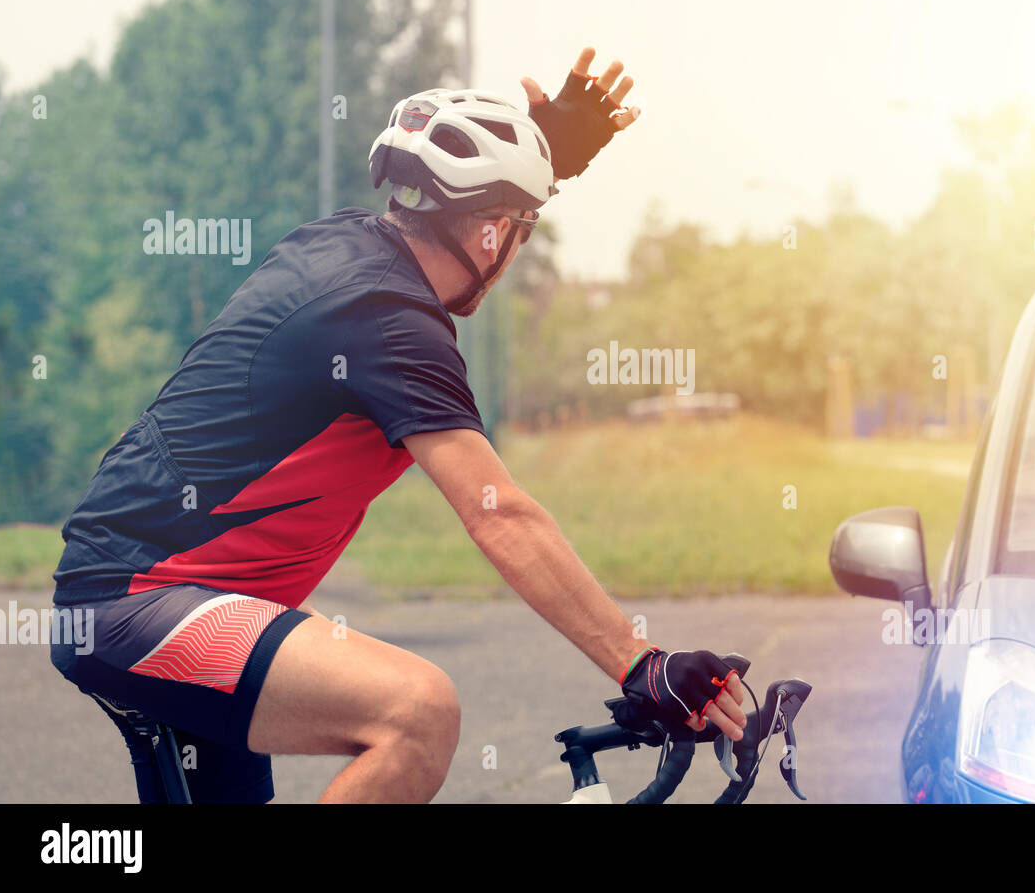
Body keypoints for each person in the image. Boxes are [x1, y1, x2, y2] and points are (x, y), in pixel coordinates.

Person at [48, 47, 747, 803]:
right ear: (488, 228)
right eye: (522, 226)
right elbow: (501, 515)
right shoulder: (390, 320)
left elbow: (459, 209)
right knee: (418, 713)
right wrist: (640, 663)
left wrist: (535, 158)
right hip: (144, 602)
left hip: (163, 594)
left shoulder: (342, 246)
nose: (516, 252)